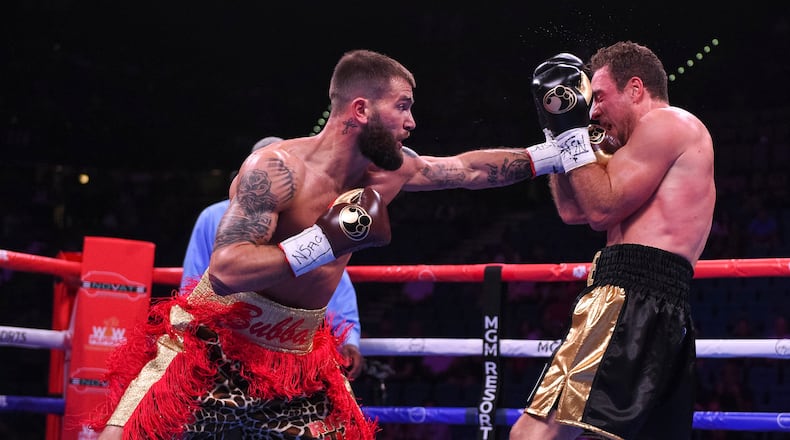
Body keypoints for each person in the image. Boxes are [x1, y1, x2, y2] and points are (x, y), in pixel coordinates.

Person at [92, 48, 559, 439]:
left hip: (299, 354)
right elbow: (227, 269)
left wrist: (559, 150)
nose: (412, 122)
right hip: (219, 343)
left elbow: (468, 169)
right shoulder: (276, 169)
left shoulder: (391, 172)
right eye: (402, 106)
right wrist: (323, 241)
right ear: (360, 110)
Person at [509, 42, 715, 440]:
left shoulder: (667, 123)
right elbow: (575, 212)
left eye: (598, 96)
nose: (593, 111)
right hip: (656, 302)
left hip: (631, 295)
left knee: (532, 435)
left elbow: (601, 209)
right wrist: (558, 129)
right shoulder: (633, 146)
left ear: (635, 88)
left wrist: (571, 133)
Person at [180, 136, 365, 381]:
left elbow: (331, 276)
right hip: (224, 336)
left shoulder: (313, 214)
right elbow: (194, 284)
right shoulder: (212, 216)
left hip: (290, 339)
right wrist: (194, 338)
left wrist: (349, 340)